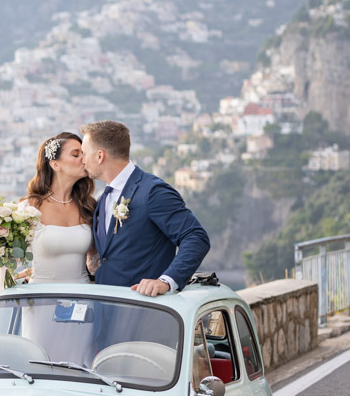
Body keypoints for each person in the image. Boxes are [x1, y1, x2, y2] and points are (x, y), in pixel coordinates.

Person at [81, 120, 210, 295]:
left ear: (99, 156)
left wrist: (166, 281)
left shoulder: (152, 191)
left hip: (144, 310)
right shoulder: (103, 198)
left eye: (84, 153)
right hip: (107, 309)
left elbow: (196, 237)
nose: (82, 160)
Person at [18, 131, 96, 283]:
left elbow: (97, 261)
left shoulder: (89, 206)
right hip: (41, 298)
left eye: (84, 154)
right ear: (55, 164)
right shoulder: (30, 208)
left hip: (82, 298)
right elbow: (7, 255)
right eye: (75, 155)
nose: (84, 160)